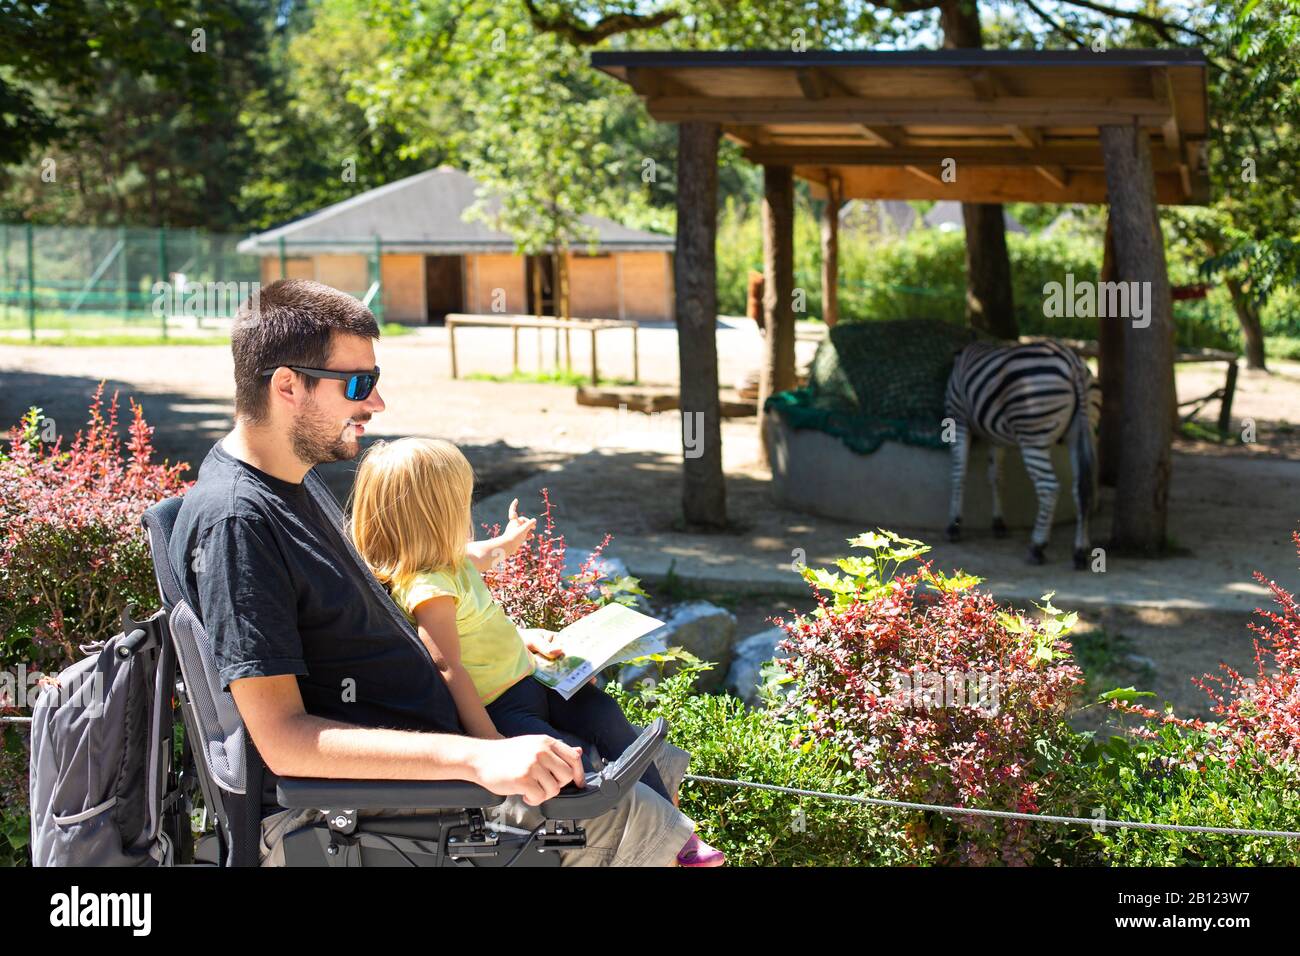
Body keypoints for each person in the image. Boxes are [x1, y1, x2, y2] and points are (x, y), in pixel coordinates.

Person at [169, 277, 711, 866]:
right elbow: (282, 740)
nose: (377, 404)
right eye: (359, 384)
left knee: (647, 766)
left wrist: (503, 641)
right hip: (379, 806)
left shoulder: (294, 487)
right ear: (286, 386)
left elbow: (373, 614)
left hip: (432, 774)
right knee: (639, 818)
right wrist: (479, 758)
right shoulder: (236, 523)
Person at [348, 437, 725, 866]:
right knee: (571, 761)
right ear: (436, 514)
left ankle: (675, 830)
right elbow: (446, 666)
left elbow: (486, 556)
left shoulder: (449, 560)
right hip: (502, 707)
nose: (468, 511)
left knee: (606, 716)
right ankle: (659, 840)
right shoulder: (429, 587)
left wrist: (510, 541)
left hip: (530, 681)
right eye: (461, 501)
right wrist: (489, 744)